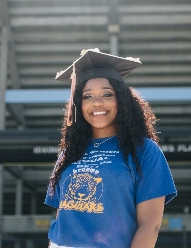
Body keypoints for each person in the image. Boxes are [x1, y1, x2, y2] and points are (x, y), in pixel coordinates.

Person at [45, 48, 177, 248]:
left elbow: (150, 225)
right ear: (78, 104)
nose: (97, 103)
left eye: (107, 94)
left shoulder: (144, 150)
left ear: (121, 100)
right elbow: (62, 217)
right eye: (88, 96)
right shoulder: (69, 153)